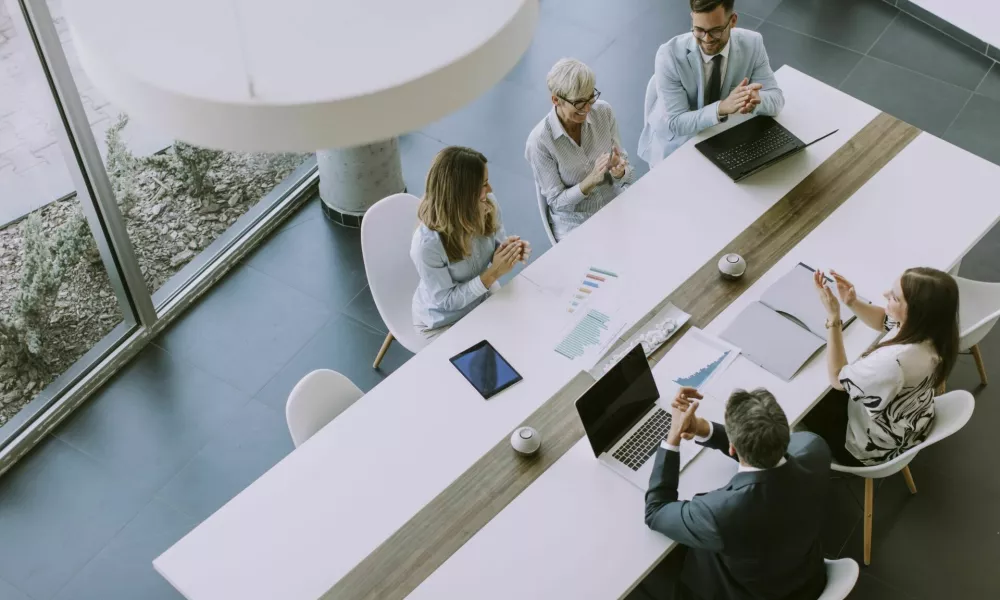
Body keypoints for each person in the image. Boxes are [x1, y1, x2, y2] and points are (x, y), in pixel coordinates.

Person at [643, 387, 829, 600]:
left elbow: (656, 511)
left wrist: (673, 437)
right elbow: (770, 451)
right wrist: (704, 429)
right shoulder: (815, 450)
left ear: (732, 448)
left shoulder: (718, 514)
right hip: (809, 581)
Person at [803, 267, 959, 466]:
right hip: (911, 422)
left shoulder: (894, 361)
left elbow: (836, 377)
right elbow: (884, 322)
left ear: (915, 311)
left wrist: (833, 319)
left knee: (806, 404)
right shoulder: (935, 331)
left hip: (872, 447)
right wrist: (852, 302)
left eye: (894, 298)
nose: (885, 294)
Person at [637, 0, 784, 167]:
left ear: (733, 20)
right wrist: (721, 108)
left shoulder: (753, 43)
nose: (707, 39)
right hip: (678, 144)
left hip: (723, 139)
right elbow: (676, 122)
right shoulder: (669, 55)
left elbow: (777, 100)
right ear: (692, 18)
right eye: (699, 29)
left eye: (716, 31)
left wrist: (755, 100)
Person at [411, 147, 531, 339]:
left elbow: (495, 244)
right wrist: (493, 273)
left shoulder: (487, 204)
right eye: (484, 184)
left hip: (481, 299)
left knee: (524, 335)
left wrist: (509, 250)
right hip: (443, 322)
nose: (490, 190)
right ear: (462, 195)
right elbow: (446, 301)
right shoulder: (426, 245)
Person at [525, 58, 636, 242]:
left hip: (614, 204)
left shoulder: (604, 112)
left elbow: (628, 176)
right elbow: (558, 203)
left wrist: (620, 172)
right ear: (556, 100)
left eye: (590, 97)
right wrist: (590, 181)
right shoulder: (539, 142)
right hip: (576, 224)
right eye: (579, 102)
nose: (587, 108)